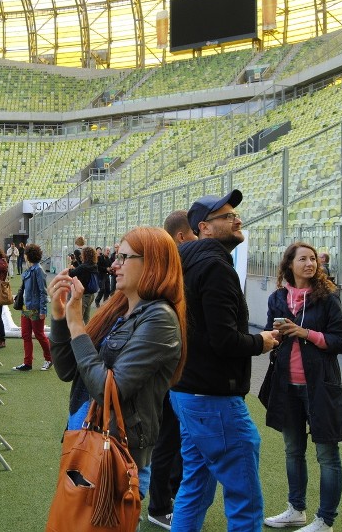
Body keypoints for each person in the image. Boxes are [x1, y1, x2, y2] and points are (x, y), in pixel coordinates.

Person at [48, 226, 187, 498]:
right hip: (85, 439)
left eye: (124, 258)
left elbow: (108, 390)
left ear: (152, 264)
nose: (114, 265)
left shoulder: (160, 319)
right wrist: (59, 315)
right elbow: (67, 371)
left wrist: (76, 323)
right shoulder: (118, 309)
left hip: (117, 454)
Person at [169, 189, 280, 532]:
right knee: (244, 498)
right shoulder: (214, 267)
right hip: (213, 396)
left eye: (235, 214)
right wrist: (261, 342)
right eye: (228, 216)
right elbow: (224, 340)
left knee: (195, 486)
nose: (237, 220)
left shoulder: (184, 263)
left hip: (186, 391)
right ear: (204, 227)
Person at [263, 242, 342, 532]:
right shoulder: (278, 298)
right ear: (290, 264)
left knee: (327, 454)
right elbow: (271, 337)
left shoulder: (328, 299)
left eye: (313, 259)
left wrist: (306, 333)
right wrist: (274, 336)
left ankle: (325, 520)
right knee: (292, 450)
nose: (310, 264)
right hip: (287, 386)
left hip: (320, 388)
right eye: (303, 259)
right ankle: (296, 510)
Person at [146, 210, 198, 530]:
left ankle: (171, 497)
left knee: (175, 437)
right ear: (181, 237)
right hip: (171, 370)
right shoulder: (176, 270)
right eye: (194, 233)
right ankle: (159, 504)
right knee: (168, 438)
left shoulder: (170, 270)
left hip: (174, 368)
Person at [12, 244, 53, 372]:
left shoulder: (38, 270)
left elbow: (43, 291)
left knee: (40, 335)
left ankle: (49, 358)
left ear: (29, 255)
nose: (24, 256)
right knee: (25, 335)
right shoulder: (29, 270)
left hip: (35, 308)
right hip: (26, 307)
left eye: (25, 253)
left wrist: (43, 310)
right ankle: (27, 363)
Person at [68, 246, 98, 323]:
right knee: (86, 318)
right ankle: (88, 332)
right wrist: (75, 261)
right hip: (90, 295)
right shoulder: (94, 265)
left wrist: (70, 267)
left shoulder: (84, 267)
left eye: (82, 254)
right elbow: (80, 268)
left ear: (85, 255)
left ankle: (77, 334)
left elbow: (72, 273)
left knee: (78, 318)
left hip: (83, 296)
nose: (81, 256)